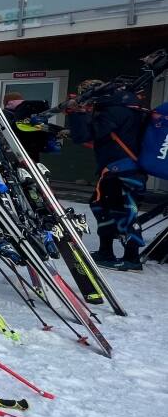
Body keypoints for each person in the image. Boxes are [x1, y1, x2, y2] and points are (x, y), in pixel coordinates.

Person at [67, 79, 147, 275]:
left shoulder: (115, 111)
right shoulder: (123, 108)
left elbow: (85, 135)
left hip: (122, 170)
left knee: (124, 211)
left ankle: (132, 259)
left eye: (86, 95)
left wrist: (77, 113)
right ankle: (105, 252)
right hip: (117, 168)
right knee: (101, 205)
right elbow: (103, 137)